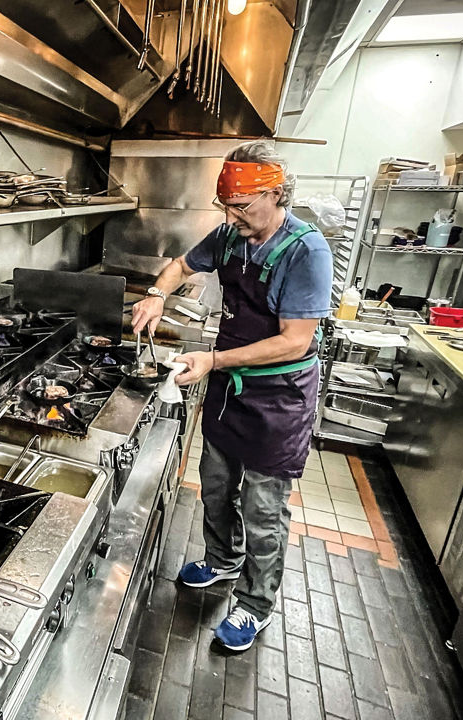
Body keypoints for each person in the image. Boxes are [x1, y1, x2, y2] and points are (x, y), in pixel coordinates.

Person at [132, 141, 332, 652]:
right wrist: (157, 295)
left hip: (279, 399)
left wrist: (214, 361)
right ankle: (222, 559)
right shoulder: (229, 237)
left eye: (241, 207)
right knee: (216, 485)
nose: (231, 216)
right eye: (226, 206)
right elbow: (180, 265)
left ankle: (255, 604)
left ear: (274, 193)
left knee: (264, 508)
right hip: (230, 390)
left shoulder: (306, 251)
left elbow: (295, 340)